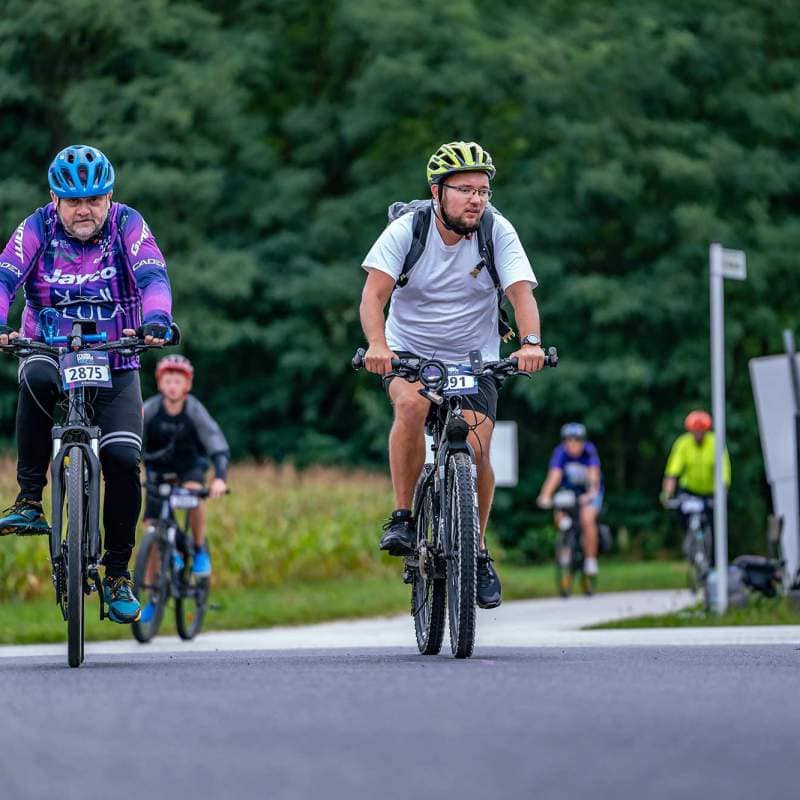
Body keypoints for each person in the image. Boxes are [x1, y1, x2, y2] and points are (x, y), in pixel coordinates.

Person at [359, 140, 546, 610]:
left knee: (478, 448)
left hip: (473, 356)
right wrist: (378, 347)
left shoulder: (497, 231)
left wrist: (530, 344)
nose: (477, 199)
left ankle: (477, 550)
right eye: (465, 189)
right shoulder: (408, 230)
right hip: (409, 352)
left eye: (483, 190)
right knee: (411, 404)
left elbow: (521, 295)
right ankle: (403, 516)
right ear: (436, 191)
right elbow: (372, 297)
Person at [0, 144, 173, 624]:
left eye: (95, 199)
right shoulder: (36, 227)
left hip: (117, 359)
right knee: (33, 377)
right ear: (54, 200)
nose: (85, 210)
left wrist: (157, 319)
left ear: (109, 196)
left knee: (121, 459)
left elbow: (153, 276)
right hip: (51, 352)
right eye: (74, 201)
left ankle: (117, 573)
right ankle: (30, 500)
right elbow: (4, 277)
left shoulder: (127, 225)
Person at [141, 354, 229, 596]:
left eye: (177, 381)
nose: (172, 386)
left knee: (192, 495)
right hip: (158, 470)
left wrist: (220, 478)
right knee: (151, 529)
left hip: (190, 466)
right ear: (160, 383)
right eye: (167, 380)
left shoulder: (194, 411)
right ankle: (151, 595)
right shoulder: (149, 409)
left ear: (187, 385)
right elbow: (132, 439)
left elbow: (216, 444)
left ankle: (199, 550)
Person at [537, 423, 603, 579]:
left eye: (577, 440)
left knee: (587, 520)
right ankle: (566, 548)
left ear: (583, 441)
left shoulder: (589, 452)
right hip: (570, 492)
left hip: (590, 492)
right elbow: (554, 476)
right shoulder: (560, 453)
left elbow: (594, 476)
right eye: (568, 440)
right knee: (560, 513)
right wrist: (545, 495)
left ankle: (590, 560)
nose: (572, 444)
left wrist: (591, 493)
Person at [661, 410, 731, 556]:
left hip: (710, 491)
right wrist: (667, 493)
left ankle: (713, 559)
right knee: (680, 512)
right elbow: (672, 472)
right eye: (695, 430)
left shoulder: (715, 443)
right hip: (689, 491)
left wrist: (723, 492)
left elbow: (724, 470)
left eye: (701, 430)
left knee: (715, 524)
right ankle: (688, 539)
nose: (698, 433)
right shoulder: (683, 444)